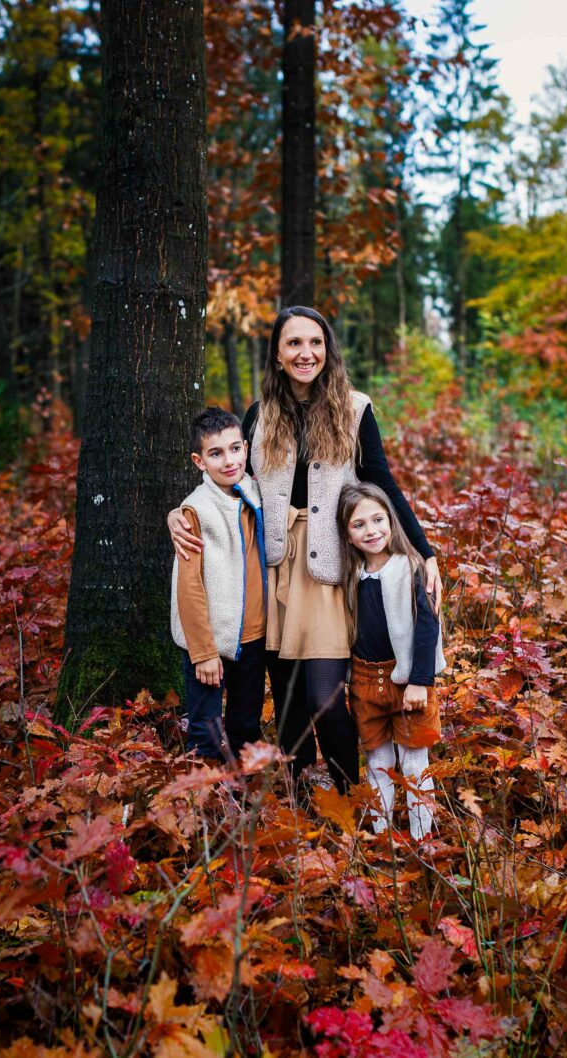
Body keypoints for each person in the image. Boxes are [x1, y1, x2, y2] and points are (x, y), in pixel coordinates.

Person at [169, 306, 442, 793]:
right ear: (276, 354)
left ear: (327, 350)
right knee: (289, 695)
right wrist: (179, 514)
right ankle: (298, 791)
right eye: (293, 343)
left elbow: (384, 484)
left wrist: (427, 552)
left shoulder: (355, 410)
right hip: (270, 565)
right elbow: (230, 482)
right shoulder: (259, 415)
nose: (305, 353)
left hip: (328, 567)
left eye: (315, 342)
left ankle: (346, 789)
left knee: (325, 696)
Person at [337, 482, 444, 839]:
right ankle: (383, 837)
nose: (371, 530)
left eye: (378, 519)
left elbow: (428, 625)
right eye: (359, 525)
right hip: (366, 682)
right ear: (347, 535)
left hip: (408, 681)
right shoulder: (350, 576)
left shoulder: (411, 567)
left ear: (392, 521)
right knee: (378, 764)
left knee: (414, 764)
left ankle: (421, 839)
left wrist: (420, 680)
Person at [170, 408, 267, 762]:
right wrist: (203, 652)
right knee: (205, 730)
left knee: (246, 724)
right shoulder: (196, 511)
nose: (229, 461)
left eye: (235, 449)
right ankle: (203, 804)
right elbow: (189, 587)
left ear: (246, 448)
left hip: (255, 638)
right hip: (210, 642)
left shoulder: (258, 492)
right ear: (199, 461)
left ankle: (245, 803)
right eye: (216, 453)